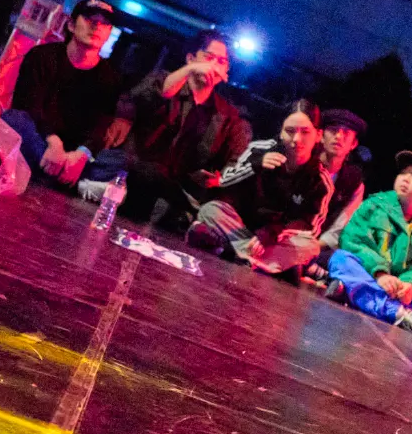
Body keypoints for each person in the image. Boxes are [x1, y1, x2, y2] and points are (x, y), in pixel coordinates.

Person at [87, 30, 250, 223]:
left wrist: (217, 179)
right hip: (131, 170)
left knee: (173, 201)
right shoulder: (163, 80)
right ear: (191, 58)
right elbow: (143, 97)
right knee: (145, 174)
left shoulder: (228, 116)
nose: (213, 66)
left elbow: (238, 162)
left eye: (221, 62)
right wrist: (190, 70)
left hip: (173, 190)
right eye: (209, 58)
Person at [187, 99, 333, 274]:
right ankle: (258, 262)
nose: (296, 139)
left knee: (310, 246)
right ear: (281, 132)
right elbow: (223, 181)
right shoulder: (260, 149)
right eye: (290, 131)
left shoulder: (320, 181)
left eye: (305, 132)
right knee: (211, 209)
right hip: (242, 225)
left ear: (318, 136)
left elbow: (310, 227)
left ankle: (228, 249)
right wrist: (254, 166)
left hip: (275, 239)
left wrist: (274, 232)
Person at [1, 0, 124, 185]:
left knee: (120, 160)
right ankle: (65, 178)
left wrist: (81, 155)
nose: (96, 27)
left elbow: (100, 127)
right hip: (41, 139)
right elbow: (29, 106)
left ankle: (53, 172)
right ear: (71, 25)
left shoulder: (110, 77)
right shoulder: (42, 56)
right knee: (13, 119)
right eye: (90, 19)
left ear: (108, 34)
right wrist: (53, 142)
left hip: (74, 153)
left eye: (105, 24)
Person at [325, 151, 412, 333]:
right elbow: (354, 241)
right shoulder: (375, 205)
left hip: (399, 291)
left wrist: (410, 286)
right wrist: (381, 274)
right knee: (341, 259)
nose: (405, 179)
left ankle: (356, 295)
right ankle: (399, 314)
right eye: (403, 173)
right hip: (372, 276)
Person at [313, 109, 369, 256]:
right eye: (333, 130)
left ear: (353, 144)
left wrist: (315, 247)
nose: (338, 136)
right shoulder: (305, 163)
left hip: (320, 247)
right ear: (321, 136)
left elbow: (340, 226)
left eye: (346, 133)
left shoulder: (354, 183)